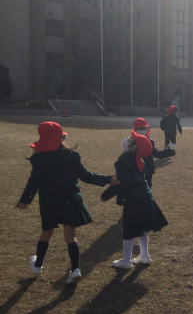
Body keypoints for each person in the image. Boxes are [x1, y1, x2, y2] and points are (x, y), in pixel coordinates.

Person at [16, 122, 119, 283]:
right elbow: (86, 176)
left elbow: (33, 182)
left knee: (46, 232)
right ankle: (75, 269)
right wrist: (108, 179)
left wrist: (24, 200)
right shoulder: (72, 155)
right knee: (70, 236)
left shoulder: (38, 158)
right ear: (61, 137)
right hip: (70, 200)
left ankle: (38, 265)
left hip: (49, 201)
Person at [101, 131, 168, 269]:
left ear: (134, 146)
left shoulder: (124, 159)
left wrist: (106, 195)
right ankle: (144, 255)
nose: (129, 138)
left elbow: (122, 182)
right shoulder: (138, 158)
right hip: (146, 197)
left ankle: (126, 261)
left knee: (129, 229)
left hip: (134, 199)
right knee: (142, 228)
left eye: (132, 138)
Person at [132, 118, 175, 187]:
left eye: (144, 128)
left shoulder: (149, 141)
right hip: (136, 170)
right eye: (140, 128)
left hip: (148, 170)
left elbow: (156, 154)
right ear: (135, 130)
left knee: (148, 188)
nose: (143, 130)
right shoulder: (131, 141)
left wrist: (169, 151)